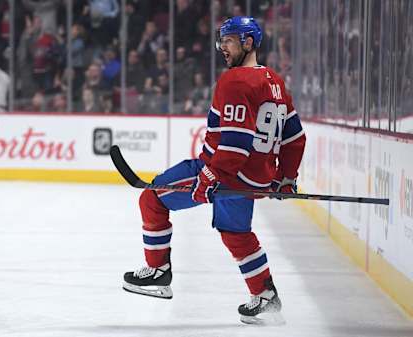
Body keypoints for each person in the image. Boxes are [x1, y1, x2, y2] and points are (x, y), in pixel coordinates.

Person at [122, 16, 306, 324]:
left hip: (222, 171)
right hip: (252, 179)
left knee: (152, 198)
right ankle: (265, 295)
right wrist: (285, 178)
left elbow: (235, 143)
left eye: (230, 40)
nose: (222, 46)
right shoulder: (274, 81)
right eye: (221, 40)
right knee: (236, 233)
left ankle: (158, 271)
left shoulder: (234, 81)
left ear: (248, 42)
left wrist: (209, 176)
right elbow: (294, 137)